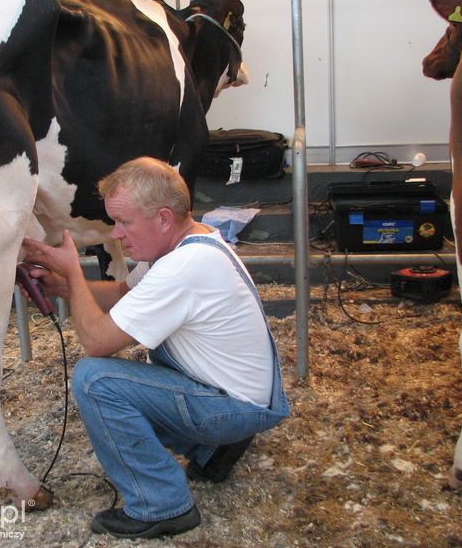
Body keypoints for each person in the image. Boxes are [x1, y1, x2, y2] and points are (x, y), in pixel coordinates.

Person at [22, 156, 289, 540]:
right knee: (135, 373)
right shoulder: (190, 244)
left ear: (163, 218)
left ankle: (161, 505)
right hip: (241, 396)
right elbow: (122, 293)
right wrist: (63, 285)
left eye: (124, 222)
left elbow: (97, 343)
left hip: (234, 407)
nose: (116, 234)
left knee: (96, 381)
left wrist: (75, 274)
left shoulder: (181, 268)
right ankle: (212, 449)